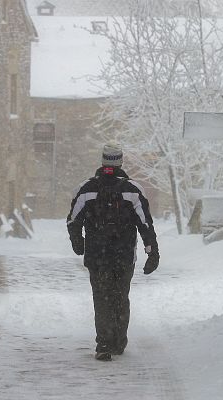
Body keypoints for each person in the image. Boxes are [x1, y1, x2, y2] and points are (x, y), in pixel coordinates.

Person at [66, 141, 160, 361]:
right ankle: (118, 340)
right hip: (124, 255)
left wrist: (77, 242)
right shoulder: (133, 190)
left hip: (97, 256)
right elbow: (145, 224)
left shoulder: (86, 189)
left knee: (101, 297)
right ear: (121, 161)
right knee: (120, 296)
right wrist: (152, 251)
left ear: (102, 161)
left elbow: (72, 220)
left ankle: (104, 344)